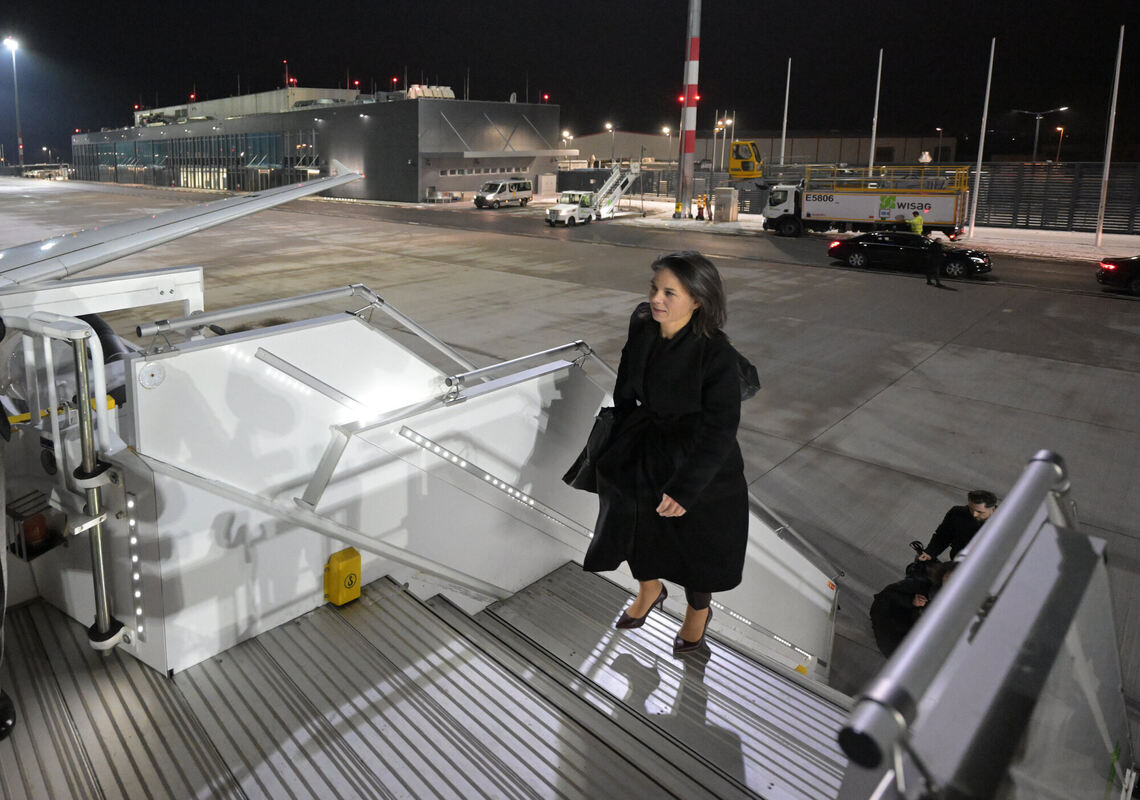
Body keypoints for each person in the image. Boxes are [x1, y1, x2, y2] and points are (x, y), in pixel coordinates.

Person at [582, 251, 748, 655]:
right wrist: (621, 429)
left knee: (696, 546)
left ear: (698, 300)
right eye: (655, 288)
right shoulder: (643, 326)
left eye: (670, 292)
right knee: (634, 528)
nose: (656, 299)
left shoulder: (717, 355)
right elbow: (626, 377)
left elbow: (720, 429)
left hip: (697, 460)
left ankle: (698, 613)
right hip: (646, 442)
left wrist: (686, 488)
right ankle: (650, 589)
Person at [870, 561, 957, 657]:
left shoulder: (951, 600)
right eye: (948, 577)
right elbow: (889, 594)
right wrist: (912, 601)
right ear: (943, 575)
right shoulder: (923, 584)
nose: (951, 582)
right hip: (891, 619)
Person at [917, 490, 999, 562]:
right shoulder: (957, 513)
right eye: (971, 509)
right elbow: (943, 535)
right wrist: (930, 552)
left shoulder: (1002, 523)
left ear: (993, 509)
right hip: (958, 561)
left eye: (979, 512)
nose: (974, 514)